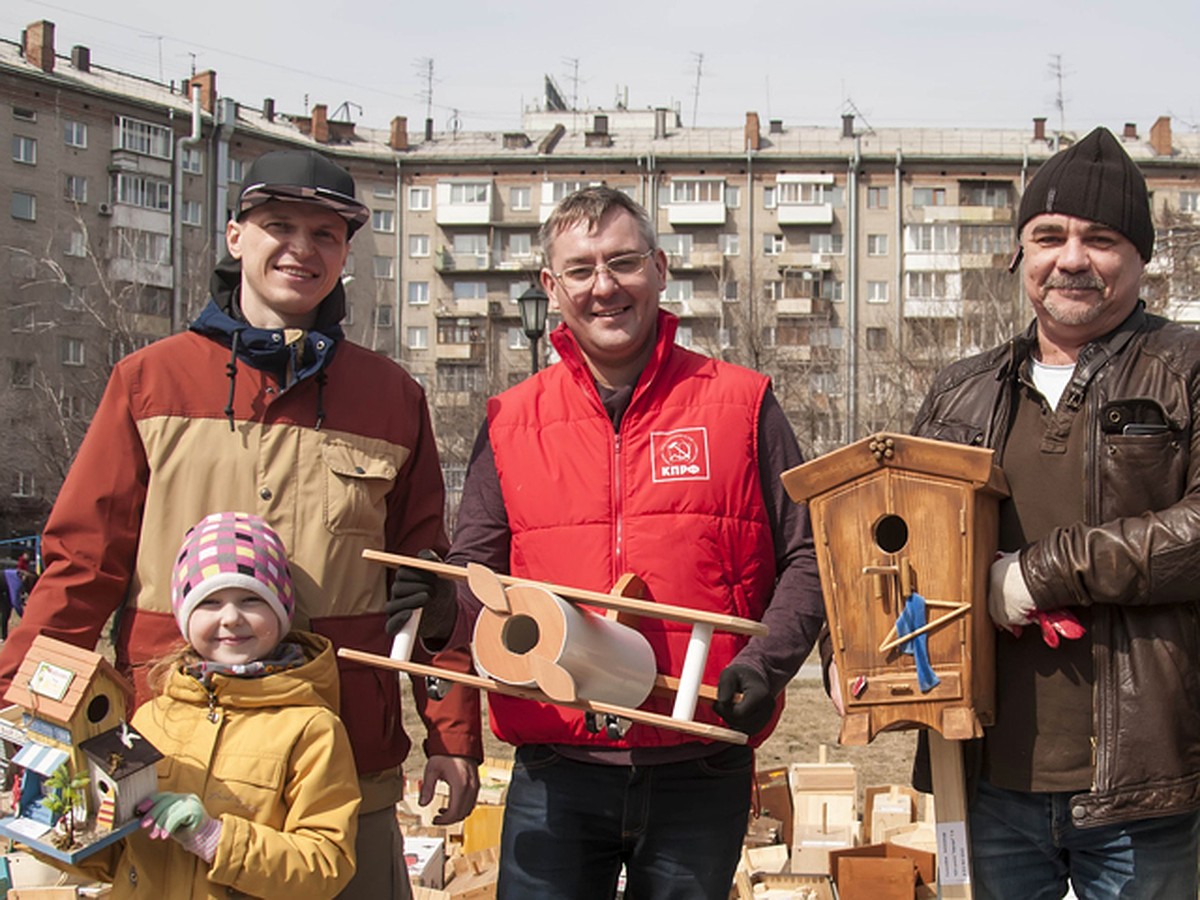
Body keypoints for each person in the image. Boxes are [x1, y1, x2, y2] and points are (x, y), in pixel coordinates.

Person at [0, 149, 481, 898]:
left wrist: (452, 738)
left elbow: (431, 591)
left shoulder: (391, 398)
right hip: (170, 765)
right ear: (234, 237)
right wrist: (17, 707)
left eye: (326, 234)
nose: (301, 249)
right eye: (279, 226)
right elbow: (80, 566)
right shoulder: (150, 381)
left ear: (347, 252)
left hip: (340, 768)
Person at [386, 186, 825, 899]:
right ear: (550, 288)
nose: (604, 286)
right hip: (555, 763)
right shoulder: (511, 421)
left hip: (699, 760)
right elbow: (478, 577)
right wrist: (441, 612)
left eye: (622, 263)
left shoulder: (742, 403)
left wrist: (768, 662)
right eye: (581, 269)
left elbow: (809, 554)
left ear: (658, 267)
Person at [909, 126, 1200, 898]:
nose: (1072, 258)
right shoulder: (958, 389)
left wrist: (1038, 575)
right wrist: (855, 655)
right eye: (1050, 236)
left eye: (1101, 239)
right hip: (983, 772)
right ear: (1020, 253)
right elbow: (892, 530)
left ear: (1141, 258)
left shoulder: (1186, 370)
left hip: (1142, 782)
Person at [64, 511, 361, 899]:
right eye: (210, 602)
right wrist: (69, 824)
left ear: (281, 611)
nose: (231, 617)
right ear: (185, 617)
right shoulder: (153, 717)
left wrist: (213, 837)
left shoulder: (311, 727)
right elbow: (115, 855)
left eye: (252, 599)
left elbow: (326, 865)